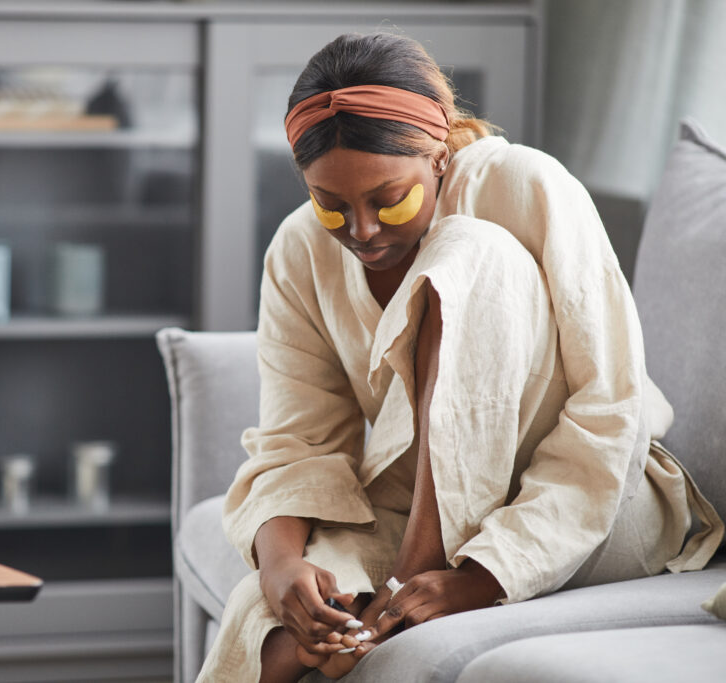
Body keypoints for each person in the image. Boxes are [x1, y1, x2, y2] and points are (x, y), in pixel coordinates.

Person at [196, 32, 724, 683]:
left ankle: (415, 567)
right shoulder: (300, 252)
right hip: (413, 498)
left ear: (439, 154)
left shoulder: (525, 186)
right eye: (332, 207)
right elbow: (296, 439)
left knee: (472, 249)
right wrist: (279, 570)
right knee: (282, 633)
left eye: (392, 199)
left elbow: (609, 410)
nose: (361, 231)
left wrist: (476, 577)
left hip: (595, 503)